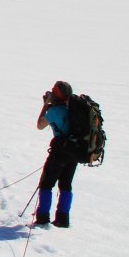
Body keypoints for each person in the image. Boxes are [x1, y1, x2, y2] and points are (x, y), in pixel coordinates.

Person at [35, 80, 77, 228]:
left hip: (60, 151)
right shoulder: (73, 108)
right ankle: (63, 219)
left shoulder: (54, 111)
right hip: (75, 151)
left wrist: (46, 105)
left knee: (46, 183)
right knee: (66, 184)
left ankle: (42, 218)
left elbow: (40, 125)